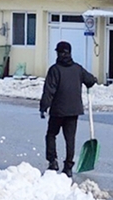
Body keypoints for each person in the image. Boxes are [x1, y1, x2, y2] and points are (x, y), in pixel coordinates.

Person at [39, 41, 98, 177]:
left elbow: (49, 90)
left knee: (51, 134)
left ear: (58, 53)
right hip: (73, 111)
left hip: (58, 110)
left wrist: (44, 107)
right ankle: (68, 166)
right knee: (70, 138)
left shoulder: (55, 70)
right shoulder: (77, 69)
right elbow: (89, 80)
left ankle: (53, 161)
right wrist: (93, 79)